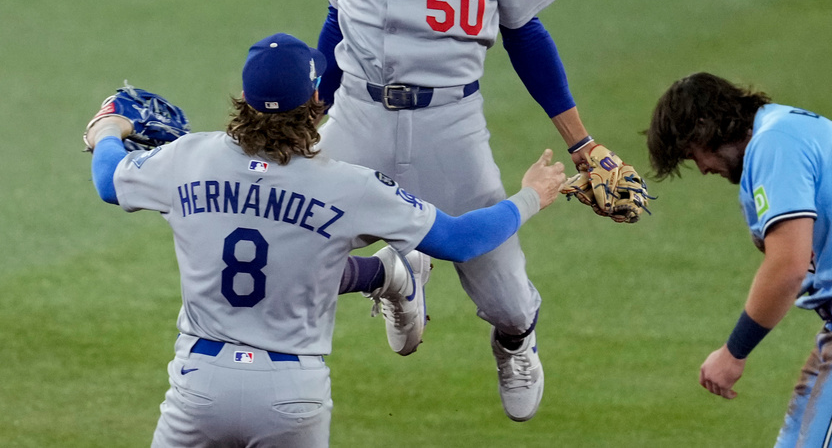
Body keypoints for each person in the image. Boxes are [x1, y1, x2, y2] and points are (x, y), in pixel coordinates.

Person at [311, 0, 644, 422]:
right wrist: (307, 116)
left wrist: (582, 142)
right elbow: (335, 23)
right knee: (294, 236)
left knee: (506, 298)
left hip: (449, 125)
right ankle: (397, 278)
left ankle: (516, 341)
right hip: (355, 115)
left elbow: (526, 33)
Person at [84, 32, 566, 448]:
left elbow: (109, 181)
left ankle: (385, 275)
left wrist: (108, 128)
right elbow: (461, 241)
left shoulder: (186, 158)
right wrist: (530, 197)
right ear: (317, 100)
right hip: (292, 394)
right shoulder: (352, 186)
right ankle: (387, 274)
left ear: (244, 101)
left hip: (198, 384)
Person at [646, 72, 832, 447]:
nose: (703, 168)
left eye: (694, 153)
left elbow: (787, 267)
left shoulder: (774, 144)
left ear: (707, 126)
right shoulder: (788, 126)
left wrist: (733, 353)